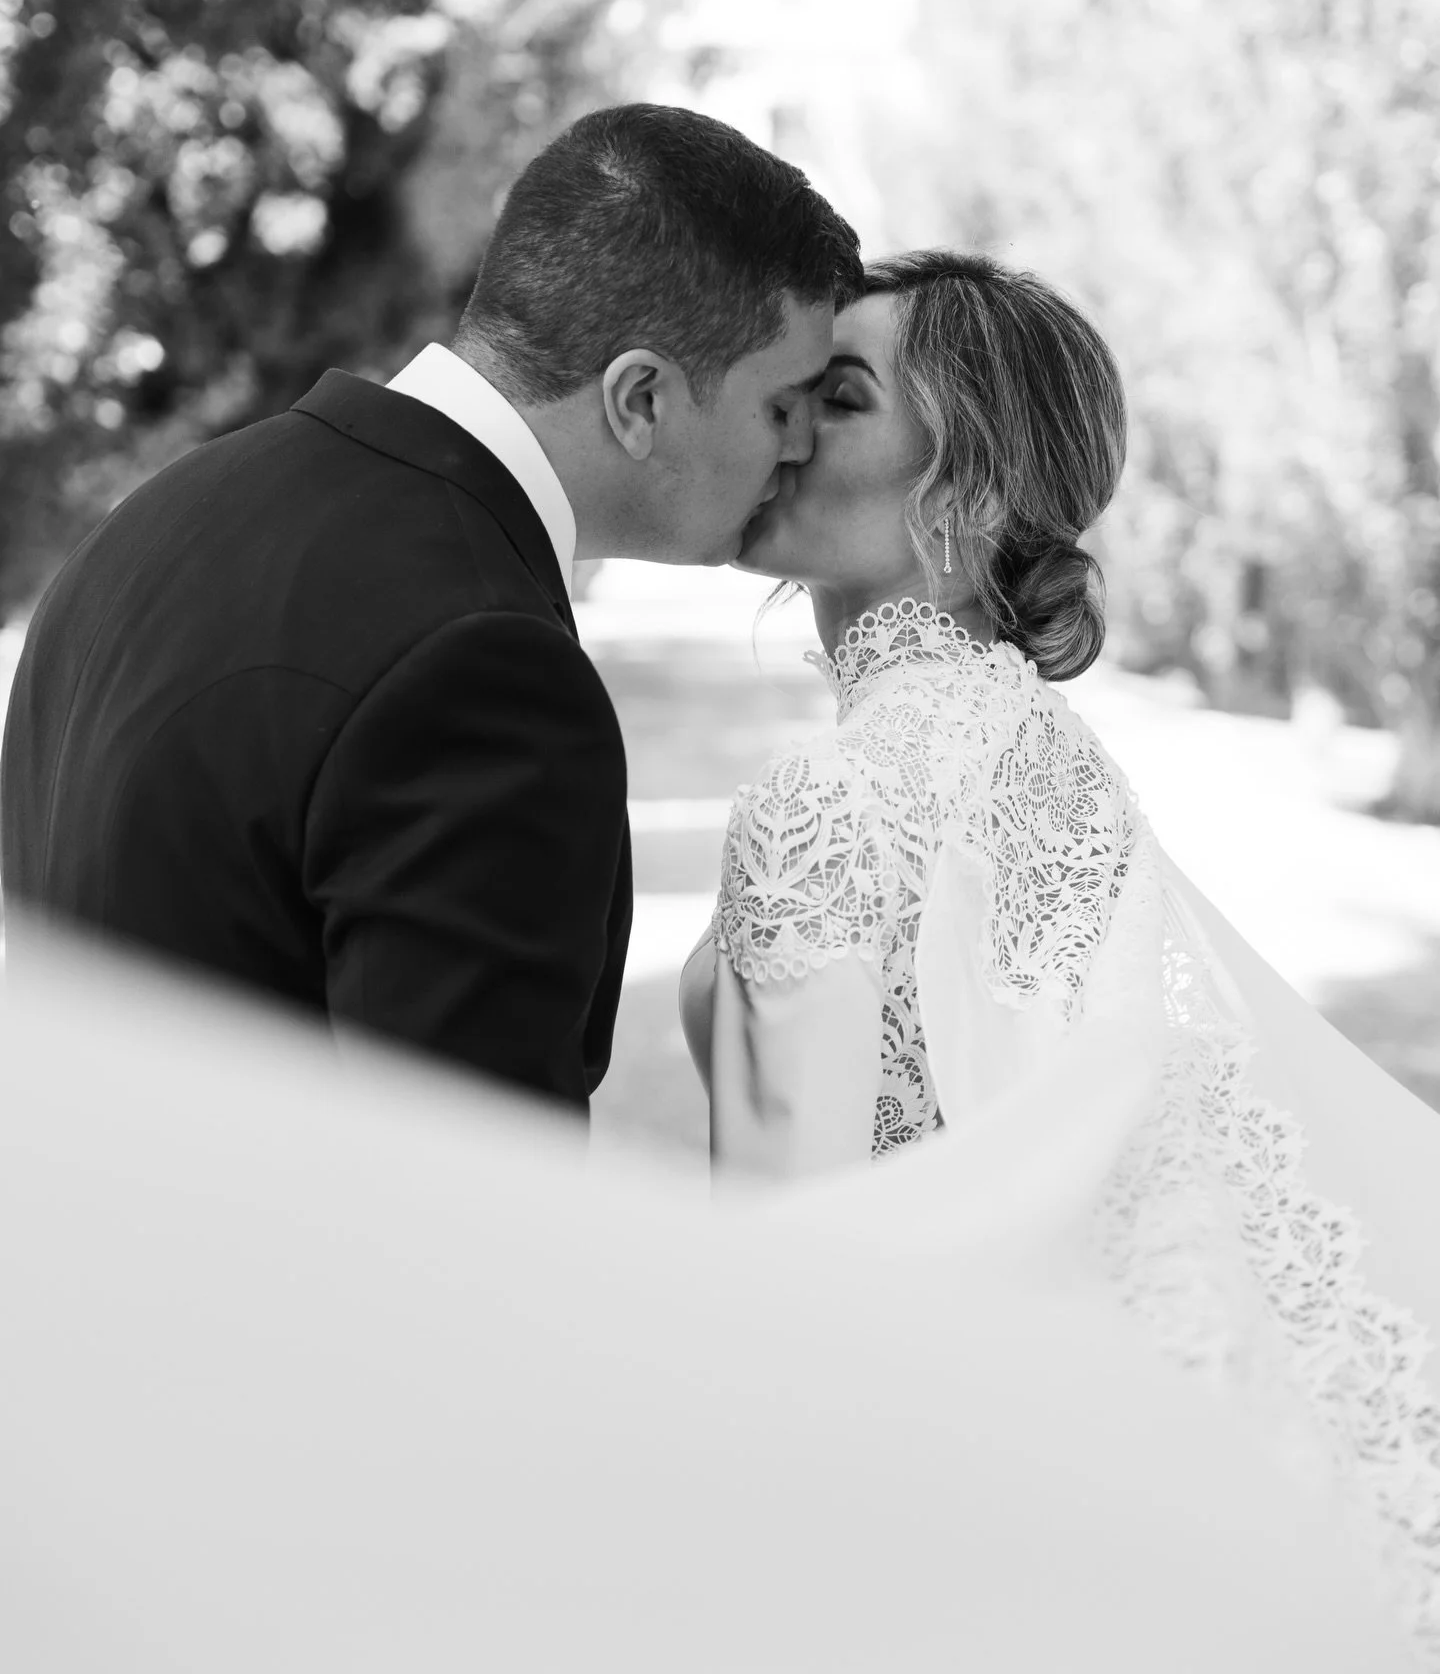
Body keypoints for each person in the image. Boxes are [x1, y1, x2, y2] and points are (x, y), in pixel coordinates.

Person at [680, 249, 1440, 1665]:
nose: (782, 427)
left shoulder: (829, 803)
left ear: (963, 495)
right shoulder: (1052, 764)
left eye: (836, 398)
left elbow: (794, 1286)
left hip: (927, 1516)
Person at [0, 103, 862, 1110]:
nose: (801, 449)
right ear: (641, 400)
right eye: (782, 406)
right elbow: (473, 1207)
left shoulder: (162, 514)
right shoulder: (484, 668)